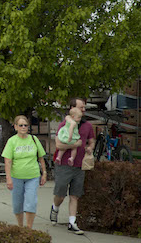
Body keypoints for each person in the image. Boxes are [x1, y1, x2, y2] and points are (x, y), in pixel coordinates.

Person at [50, 97, 94, 235]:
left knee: (75, 195)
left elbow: (92, 141)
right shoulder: (64, 124)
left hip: (80, 165)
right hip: (63, 165)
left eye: (84, 107)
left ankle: (72, 222)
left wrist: (90, 147)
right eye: (81, 107)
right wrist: (74, 145)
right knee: (60, 194)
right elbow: (58, 145)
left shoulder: (88, 126)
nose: (84, 110)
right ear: (72, 109)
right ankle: (55, 207)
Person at [3, 115, 47, 229]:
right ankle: (20, 226)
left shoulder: (34, 139)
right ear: (15, 127)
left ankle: (29, 228)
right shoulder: (12, 141)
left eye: (25, 125)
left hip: (32, 175)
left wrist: (44, 173)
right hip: (16, 176)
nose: (23, 127)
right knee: (17, 204)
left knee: (31, 202)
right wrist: (8, 178)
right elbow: (7, 161)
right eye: (21, 125)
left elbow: (41, 157)